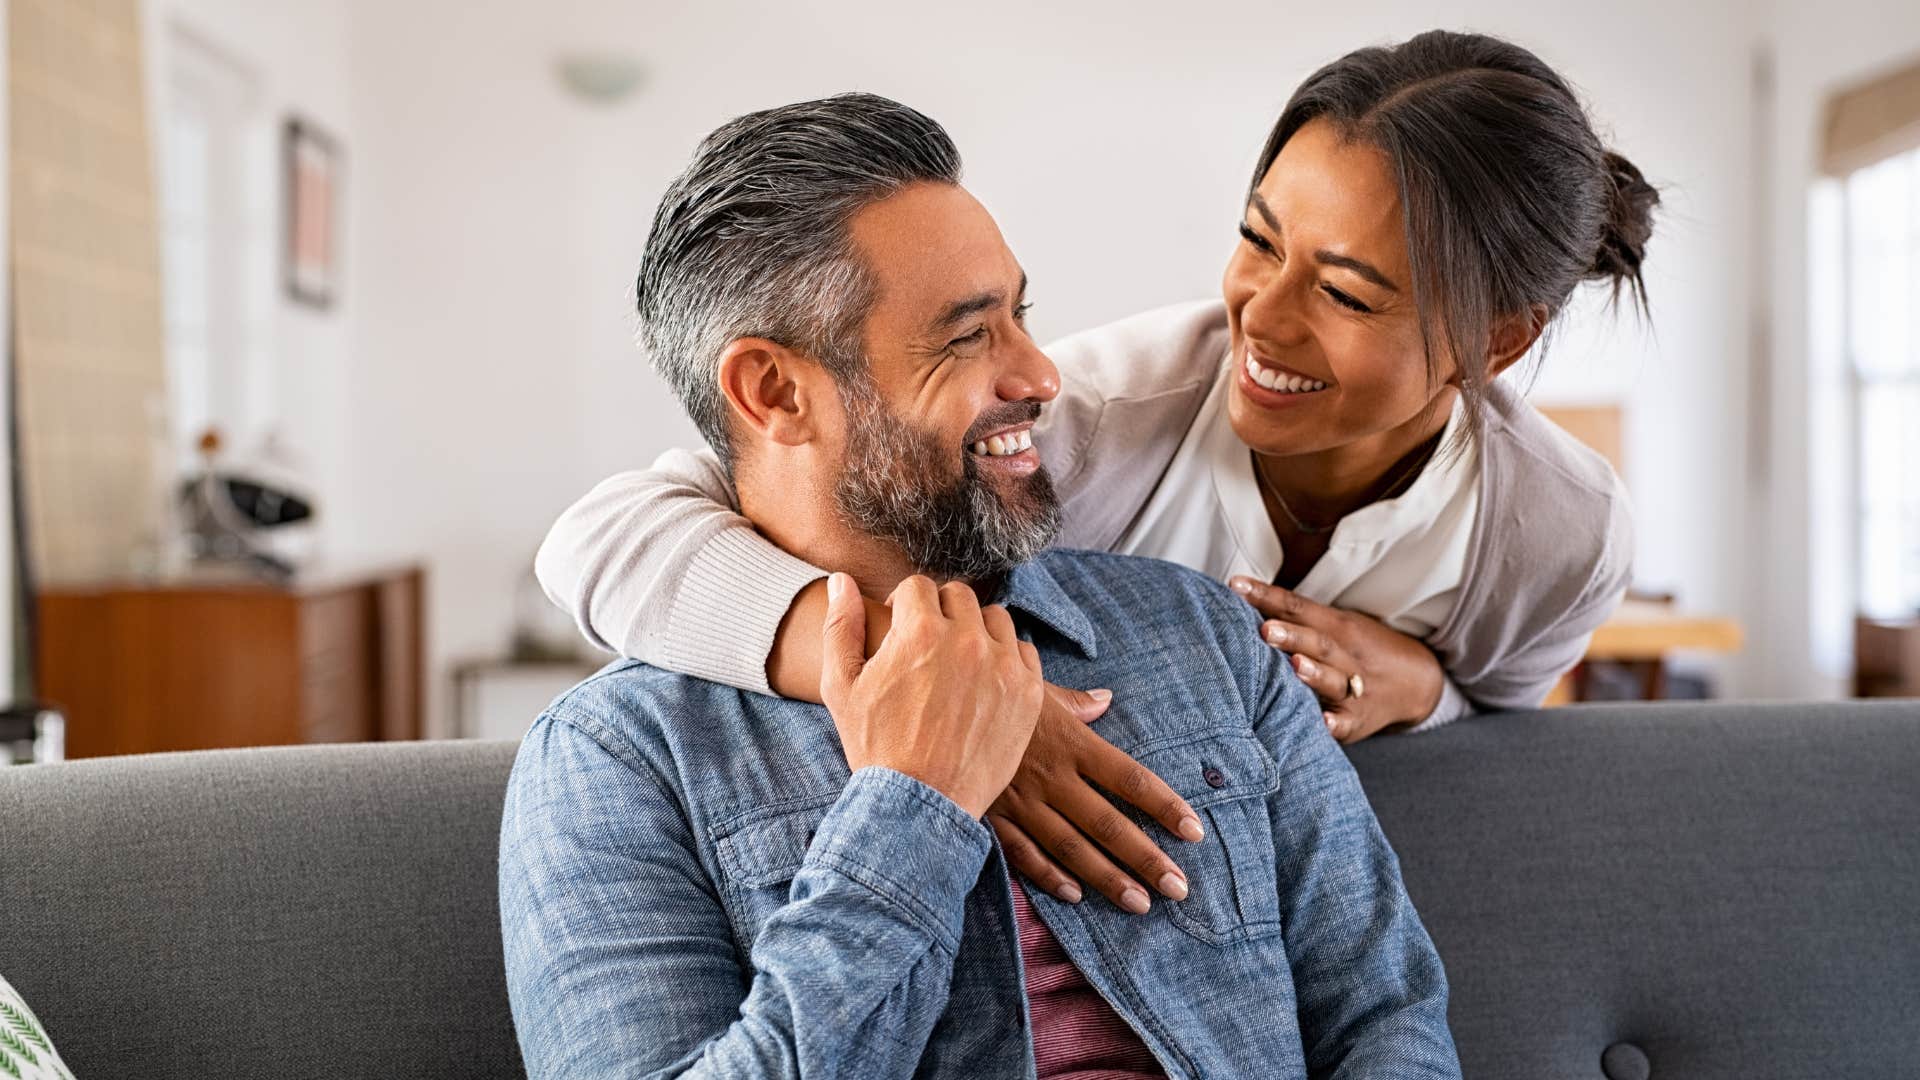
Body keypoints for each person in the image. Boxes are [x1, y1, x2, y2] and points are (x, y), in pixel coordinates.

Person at [534, 31, 1653, 914]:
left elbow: (1505, 728)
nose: (1259, 316)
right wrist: (942, 692)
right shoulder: (1097, 419)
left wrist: (1428, 691)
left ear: (1496, 342)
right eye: (1258, 241)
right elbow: (604, 537)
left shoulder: (1559, 533)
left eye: (1348, 293)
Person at [499, 93, 1458, 1079]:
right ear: (776, 393)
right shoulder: (617, 761)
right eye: (966, 337)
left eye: (1021, 315)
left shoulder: (1208, 634)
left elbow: (1387, 1014)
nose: (1041, 373)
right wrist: (913, 806)